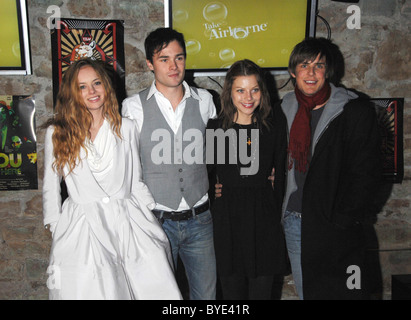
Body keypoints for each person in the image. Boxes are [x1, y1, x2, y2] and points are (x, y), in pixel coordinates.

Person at [42, 58, 182, 300]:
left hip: (129, 223)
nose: (92, 91)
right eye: (82, 86)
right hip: (82, 229)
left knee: (152, 287)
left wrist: (149, 216)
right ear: (72, 93)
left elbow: (135, 180)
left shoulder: (126, 127)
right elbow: (50, 188)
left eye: (96, 83)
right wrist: (58, 227)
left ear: (106, 86)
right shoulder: (57, 132)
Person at [278, 37, 382, 299]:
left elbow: (367, 173)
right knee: (307, 294)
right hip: (295, 221)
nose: (311, 73)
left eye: (319, 65)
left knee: (344, 294)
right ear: (293, 72)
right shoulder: (286, 107)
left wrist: (344, 219)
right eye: (304, 65)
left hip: (334, 224)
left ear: (328, 70)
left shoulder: (354, 110)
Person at [121, 27, 217, 300]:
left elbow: (217, 153)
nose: (174, 66)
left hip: (201, 218)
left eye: (179, 57)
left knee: (206, 297)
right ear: (150, 64)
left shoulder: (206, 101)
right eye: (164, 59)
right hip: (156, 220)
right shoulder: (132, 108)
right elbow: (128, 168)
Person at [207, 59, 287, 300]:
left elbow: (282, 171)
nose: (248, 97)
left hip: (264, 222)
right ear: (229, 93)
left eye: (254, 89)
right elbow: (208, 175)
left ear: (262, 91)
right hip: (227, 224)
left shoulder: (273, 127)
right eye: (240, 90)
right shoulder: (216, 128)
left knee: (262, 294)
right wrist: (214, 190)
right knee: (231, 296)